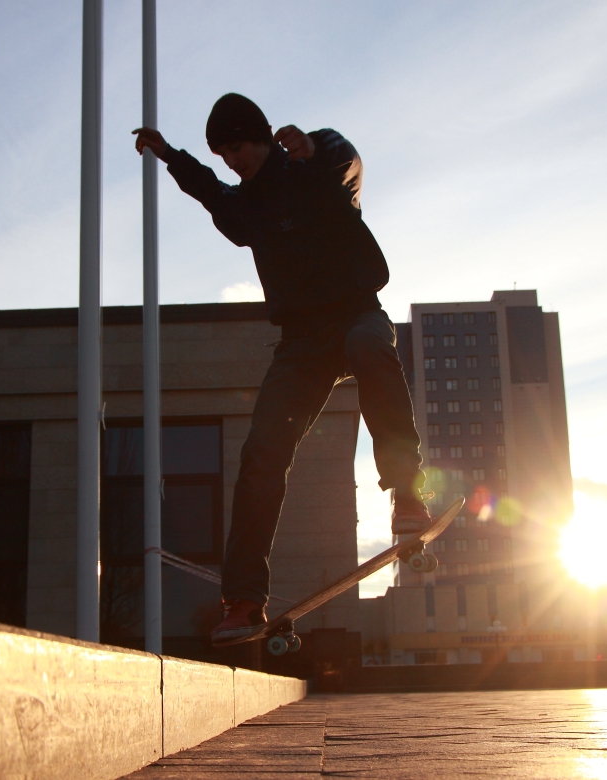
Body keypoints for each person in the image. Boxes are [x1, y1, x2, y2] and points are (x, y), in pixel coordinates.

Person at [133, 93, 431, 645]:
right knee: (262, 450)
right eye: (224, 153)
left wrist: (316, 148)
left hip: (355, 314)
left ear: (263, 135)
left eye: (238, 147)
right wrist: (170, 155)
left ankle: (408, 493)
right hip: (301, 344)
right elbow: (208, 190)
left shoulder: (313, 164)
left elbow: (347, 160)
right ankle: (244, 599)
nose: (232, 161)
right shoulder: (248, 206)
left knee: (371, 349)